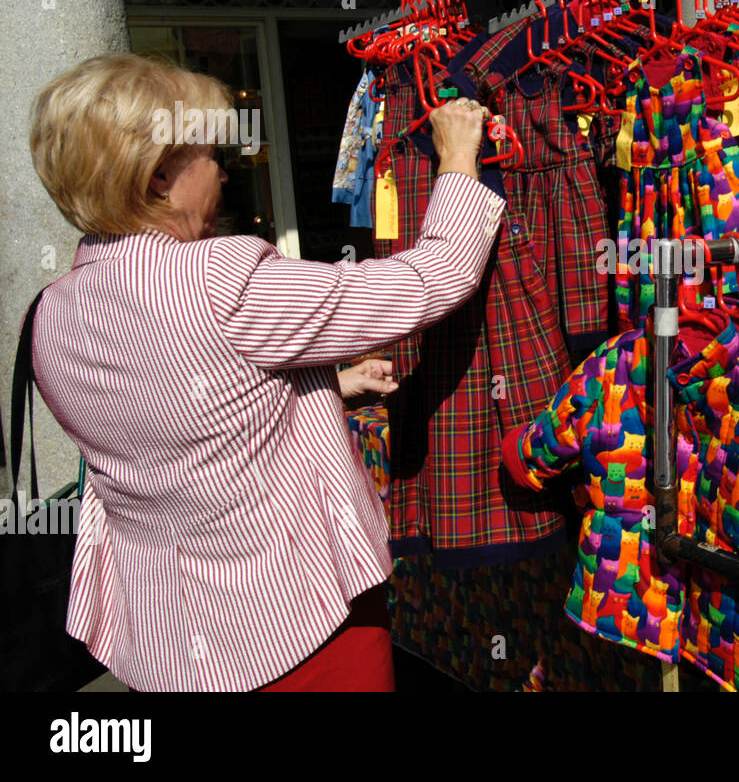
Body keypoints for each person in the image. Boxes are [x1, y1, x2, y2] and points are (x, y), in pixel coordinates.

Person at [27, 53, 502, 691]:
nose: (224, 173)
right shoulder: (221, 277)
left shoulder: (54, 311)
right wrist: (457, 160)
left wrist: (325, 386)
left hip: (167, 634)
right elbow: (429, 281)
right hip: (294, 626)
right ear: (160, 175)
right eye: (209, 155)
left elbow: (183, 410)